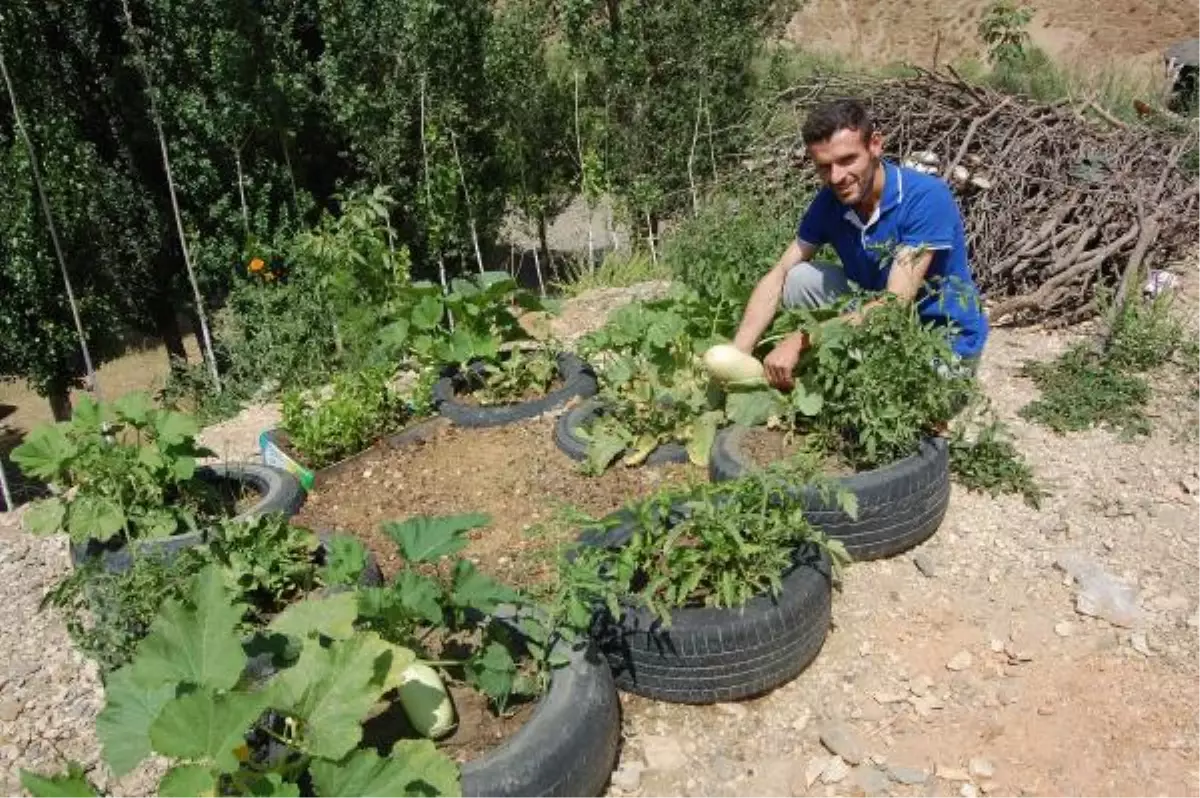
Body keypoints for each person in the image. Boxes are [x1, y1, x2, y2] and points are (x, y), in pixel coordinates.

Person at [731, 98, 989, 390]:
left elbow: (894, 305)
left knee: (909, 416)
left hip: (938, 339)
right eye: (825, 167)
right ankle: (845, 364)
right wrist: (737, 354)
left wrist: (802, 339)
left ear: (875, 145)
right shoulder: (831, 201)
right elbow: (779, 273)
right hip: (872, 315)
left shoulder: (925, 198)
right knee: (797, 278)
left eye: (847, 160)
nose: (837, 177)